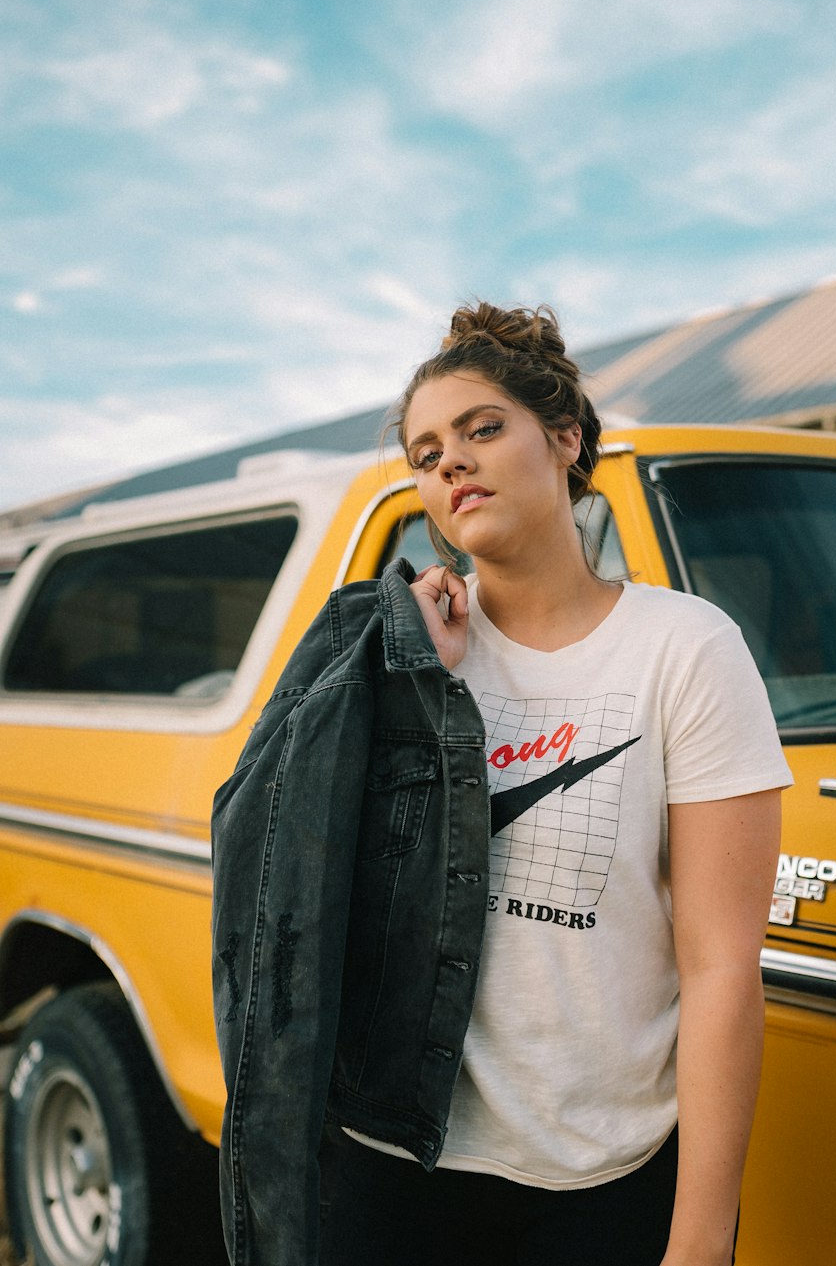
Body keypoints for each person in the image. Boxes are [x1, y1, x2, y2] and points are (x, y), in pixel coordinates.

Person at [211, 302, 792, 1266]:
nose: (451, 463)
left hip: (601, 1175)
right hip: (394, 1159)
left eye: (483, 428)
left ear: (564, 438)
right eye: (426, 451)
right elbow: (274, 874)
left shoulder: (684, 648)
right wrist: (407, 674)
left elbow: (724, 970)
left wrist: (701, 1235)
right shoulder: (394, 647)